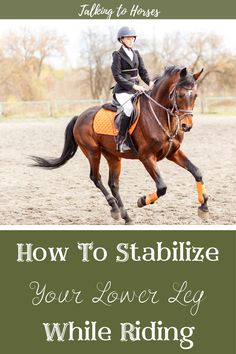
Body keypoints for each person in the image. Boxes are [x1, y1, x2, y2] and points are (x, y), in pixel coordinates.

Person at [111, 26, 154, 153]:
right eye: (128, 38)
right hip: (122, 90)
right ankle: (121, 141)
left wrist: (150, 82)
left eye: (132, 38)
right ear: (121, 40)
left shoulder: (136, 53)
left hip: (136, 89)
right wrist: (133, 86)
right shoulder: (117, 55)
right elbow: (117, 76)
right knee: (129, 108)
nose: (131, 40)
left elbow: (142, 71)